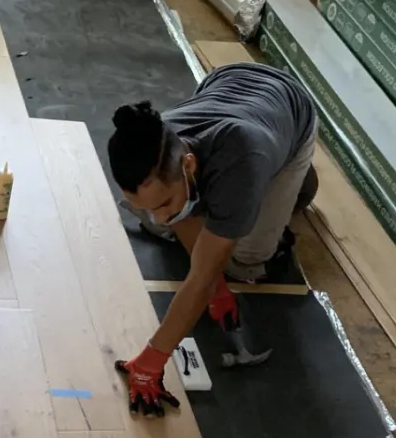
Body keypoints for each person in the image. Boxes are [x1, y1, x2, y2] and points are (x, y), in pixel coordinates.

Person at [108, 60, 318, 416]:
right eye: (149, 207)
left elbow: (202, 277)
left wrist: (151, 361)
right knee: (192, 217)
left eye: (162, 203)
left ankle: (293, 176)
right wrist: (217, 288)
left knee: (247, 260)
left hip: (291, 112)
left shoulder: (242, 165)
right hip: (227, 83)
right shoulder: (156, 142)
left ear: (188, 165)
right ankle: (253, 190)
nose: (160, 218)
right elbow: (184, 223)